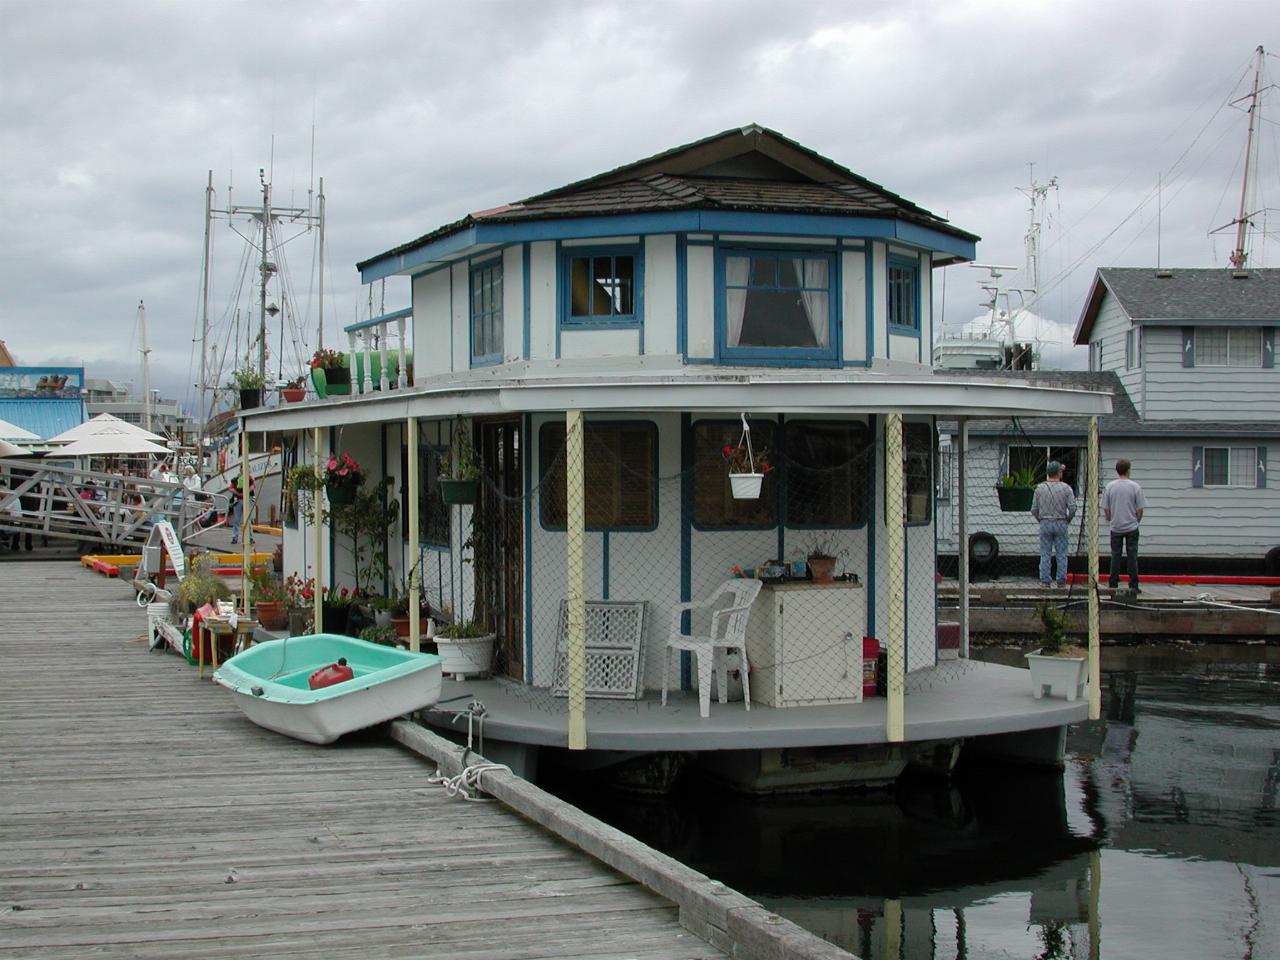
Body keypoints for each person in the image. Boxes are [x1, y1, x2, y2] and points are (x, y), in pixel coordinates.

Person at [1031, 460, 1076, 587]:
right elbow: (1072, 508)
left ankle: (1045, 581)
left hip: (1045, 522)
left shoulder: (1040, 488)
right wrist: (1068, 519)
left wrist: (1040, 519)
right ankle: (1061, 581)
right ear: (1058, 473)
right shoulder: (1066, 488)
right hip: (1060, 521)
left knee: (1045, 553)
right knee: (1061, 553)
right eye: (1061, 471)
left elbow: (1034, 509)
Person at [1103, 458, 1146, 592]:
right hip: (1131, 526)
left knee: (1115, 555)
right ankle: (1133, 584)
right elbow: (1139, 509)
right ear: (1128, 470)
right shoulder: (1135, 487)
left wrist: (1110, 519)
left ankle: (1113, 582)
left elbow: (1106, 508)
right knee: (1132, 555)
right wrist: (1136, 520)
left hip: (1115, 526)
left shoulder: (1110, 486)